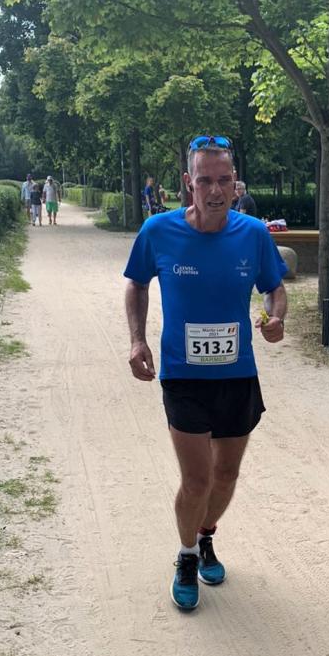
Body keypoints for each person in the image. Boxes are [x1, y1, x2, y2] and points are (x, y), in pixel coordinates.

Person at [123, 135, 288, 611]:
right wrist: (137, 340)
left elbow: (275, 288)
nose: (215, 190)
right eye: (205, 180)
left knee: (226, 475)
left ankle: (206, 534)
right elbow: (136, 284)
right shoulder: (158, 230)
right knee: (197, 479)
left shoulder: (253, 233)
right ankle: (186, 555)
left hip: (237, 375)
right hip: (184, 376)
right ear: (187, 183)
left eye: (224, 180)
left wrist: (276, 317)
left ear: (236, 184)